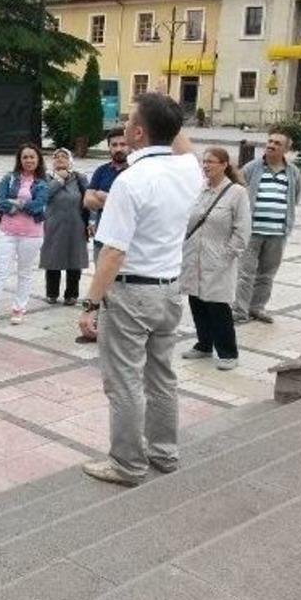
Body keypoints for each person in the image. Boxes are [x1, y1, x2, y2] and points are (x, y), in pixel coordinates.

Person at [76, 92, 203, 487]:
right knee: (161, 376)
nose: (126, 125)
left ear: (137, 132)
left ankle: (127, 464)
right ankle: (164, 453)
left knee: (124, 381)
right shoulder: (188, 170)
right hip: (168, 290)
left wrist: (90, 303)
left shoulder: (131, 182)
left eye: (131, 119)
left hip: (131, 293)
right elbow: (178, 138)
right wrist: (165, 110)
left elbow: (112, 253)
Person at [181, 147, 251, 370]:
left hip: (219, 259)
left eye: (211, 161)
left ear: (224, 164)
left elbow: (242, 231)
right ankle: (204, 344)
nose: (206, 166)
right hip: (194, 257)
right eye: (204, 162)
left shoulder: (237, 193)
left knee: (218, 306)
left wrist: (227, 255)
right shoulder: (201, 189)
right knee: (197, 301)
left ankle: (228, 352)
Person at [0, 142, 49, 330]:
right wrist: (22, 204)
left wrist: (16, 203)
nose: (29, 160)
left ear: (38, 159)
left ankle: (19, 308)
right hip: (6, 231)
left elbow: (39, 205)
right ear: (19, 160)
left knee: (25, 272)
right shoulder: (9, 178)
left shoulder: (43, 181)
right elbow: (0, 201)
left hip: (32, 234)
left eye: (32, 156)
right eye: (25, 157)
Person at [234, 128, 301, 324]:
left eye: (277, 143)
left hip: (278, 234)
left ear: (287, 149)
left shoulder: (293, 172)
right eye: (270, 141)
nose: (271, 145)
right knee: (245, 274)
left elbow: (294, 199)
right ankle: (239, 311)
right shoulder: (251, 168)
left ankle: (257, 308)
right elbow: (236, 192)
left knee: (266, 274)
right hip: (251, 232)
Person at [40, 148, 90, 306]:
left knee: (75, 260)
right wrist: (59, 180)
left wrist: (91, 222)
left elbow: (88, 200)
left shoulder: (79, 178)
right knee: (52, 259)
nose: (60, 159)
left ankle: (71, 294)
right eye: (56, 157)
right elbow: (43, 196)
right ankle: (52, 293)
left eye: (64, 157)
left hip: (76, 225)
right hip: (53, 225)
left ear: (70, 161)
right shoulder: (46, 178)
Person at [83, 127, 130, 258]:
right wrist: (119, 202)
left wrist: (102, 196)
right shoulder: (102, 171)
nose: (118, 149)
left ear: (130, 145)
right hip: (102, 238)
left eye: (123, 144)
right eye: (114, 145)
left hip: (128, 241)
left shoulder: (137, 170)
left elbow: (135, 204)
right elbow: (88, 201)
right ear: (109, 147)